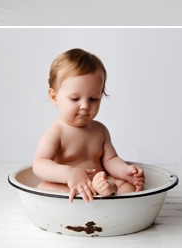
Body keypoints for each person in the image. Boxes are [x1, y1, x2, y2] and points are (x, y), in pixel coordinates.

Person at [33, 49, 145, 203]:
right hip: (71, 187)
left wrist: (125, 171)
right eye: (75, 98)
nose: (85, 106)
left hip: (100, 180)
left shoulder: (100, 130)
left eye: (93, 99)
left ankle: (106, 190)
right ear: (54, 97)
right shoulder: (56, 132)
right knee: (44, 188)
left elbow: (110, 159)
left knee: (129, 187)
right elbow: (40, 164)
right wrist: (69, 174)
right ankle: (102, 193)